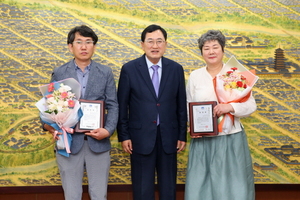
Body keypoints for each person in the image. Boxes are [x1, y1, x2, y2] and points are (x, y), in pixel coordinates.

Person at [42, 25, 118, 200]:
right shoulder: (60, 72)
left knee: (99, 195)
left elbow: (113, 105)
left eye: (88, 42)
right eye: (79, 42)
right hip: (68, 143)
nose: (84, 47)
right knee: (72, 195)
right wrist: (52, 127)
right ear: (70, 46)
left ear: (94, 46)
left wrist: (108, 130)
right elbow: (50, 106)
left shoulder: (105, 72)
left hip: (98, 144)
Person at [117, 24, 187, 200]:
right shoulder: (129, 69)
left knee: (168, 188)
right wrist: (124, 136)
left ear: (165, 44)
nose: (155, 46)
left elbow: (181, 105)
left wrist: (182, 135)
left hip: (169, 137)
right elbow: (122, 105)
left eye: (159, 41)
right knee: (142, 189)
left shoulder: (176, 69)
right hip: (139, 138)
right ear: (142, 44)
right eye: (150, 41)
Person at [185, 30, 256, 200]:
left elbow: (251, 105)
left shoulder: (234, 73)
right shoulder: (195, 76)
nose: (211, 51)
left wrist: (229, 107)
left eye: (215, 47)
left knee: (233, 185)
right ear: (201, 52)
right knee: (201, 184)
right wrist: (191, 126)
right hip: (203, 140)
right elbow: (188, 106)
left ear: (223, 50)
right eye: (206, 48)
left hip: (230, 138)